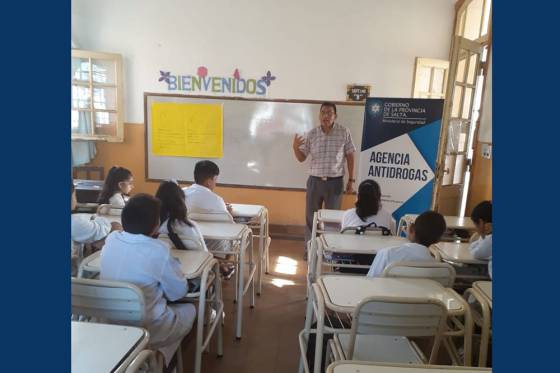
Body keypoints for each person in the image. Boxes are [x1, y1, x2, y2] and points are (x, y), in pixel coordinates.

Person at [100, 194, 196, 366]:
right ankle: (160, 358)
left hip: (110, 321)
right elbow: (177, 293)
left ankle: (151, 356)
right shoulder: (159, 249)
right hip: (147, 326)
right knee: (192, 308)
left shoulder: (112, 239)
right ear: (156, 225)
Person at [292, 102, 356, 258]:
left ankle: (328, 251)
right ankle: (310, 251)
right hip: (315, 181)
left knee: (332, 220)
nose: (326, 116)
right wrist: (295, 147)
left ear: (335, 116)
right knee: (311, 219)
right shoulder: (312, 134)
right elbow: (302, 158)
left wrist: (351, 180)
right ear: (319, 115)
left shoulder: (344, 132)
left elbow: (350, 156)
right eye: (323, 112)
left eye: (329, 113)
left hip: (335, 182)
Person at [183, 160, 235, 278]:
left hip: (189, 241)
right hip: (214, 244)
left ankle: (220, 266)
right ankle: (222, 265)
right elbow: (229, 226)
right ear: (209, 181)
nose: (216, 183)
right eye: (215, 179)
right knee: (234, 240)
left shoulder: (181, 193)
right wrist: (228, 212)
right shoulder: (216, 199)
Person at [367, 210, 446, 277]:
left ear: (411, 229)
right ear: (438, 240)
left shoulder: (387, 254)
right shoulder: (441, 270)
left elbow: (370, 282)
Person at [71, 180, 121, 275]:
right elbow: (108, 228)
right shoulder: (75, 222)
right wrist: (97, 219)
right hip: (75, 281)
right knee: (115, 227)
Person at [156, 180, 208, 252]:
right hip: (195, 262)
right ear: (182, 201)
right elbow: (205, 252)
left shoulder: (157, 229)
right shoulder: (190, 226)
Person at [469, 200, 492, 278]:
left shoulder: (490, 240)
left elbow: (476, 253)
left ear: (481, 223)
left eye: (476, 225)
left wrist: (482, 236)